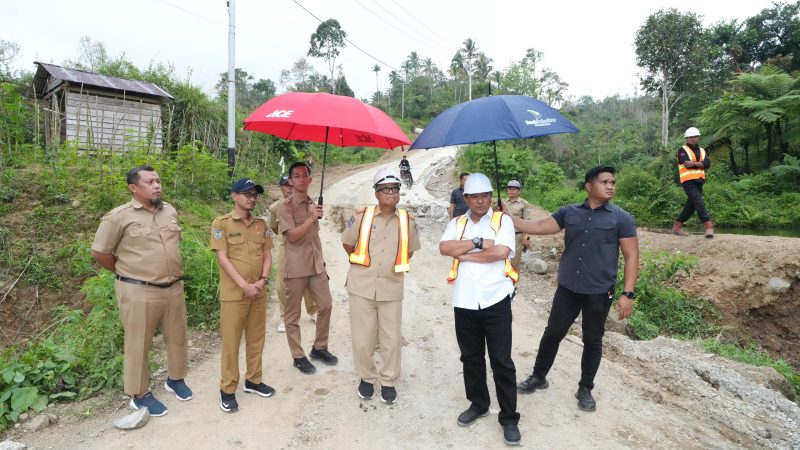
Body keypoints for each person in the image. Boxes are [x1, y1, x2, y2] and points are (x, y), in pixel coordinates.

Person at [509, 166, 639, 413]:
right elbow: (537, 226)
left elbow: (632, 256)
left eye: (613, 182)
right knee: (552, 333)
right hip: (568, 287)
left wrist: (627, 294)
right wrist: (508, 217)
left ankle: (585, 388)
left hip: (600, 291)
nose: (611, 186)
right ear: (589, 186)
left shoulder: (622, 218)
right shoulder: (569, 213)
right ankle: (539, 376)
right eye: (604, 182)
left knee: (593, 340)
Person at [91, 165, 192, 417]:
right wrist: (126, 273)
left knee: (177, 336)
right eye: (150, 182)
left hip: (173, 286)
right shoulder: (118, 217)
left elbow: (173, 244)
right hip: (138, 290)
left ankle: (175, 379)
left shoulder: (169, 210)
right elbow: (100, 252)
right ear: (133, 188)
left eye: (158, 180)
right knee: (138, 343)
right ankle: (140, 394)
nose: (157, 185)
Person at [439, 172, 521, 446]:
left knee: (501, 361)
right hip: (464, 301)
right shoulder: (457, 223)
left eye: (485, 195)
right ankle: (479, 403)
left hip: (496, 299)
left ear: (490, 196)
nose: (480, 201)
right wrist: (476, 244)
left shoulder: (503, 221)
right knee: (471, 357)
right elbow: (444, 247)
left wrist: (464, 256)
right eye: (474, 196)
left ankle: (509, 417)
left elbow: (501, 252)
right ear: (466, 198)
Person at [341, 168, 421, 404]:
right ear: (376, 192)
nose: (391, 193)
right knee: (363, 337)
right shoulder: (360, 216)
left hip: (391, 287)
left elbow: (410, 251)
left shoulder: (408, 221)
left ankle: (387, 380)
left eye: (395, 189)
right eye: (386, 189)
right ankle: (366, 378)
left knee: (391, 338)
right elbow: (348, 244)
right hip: (361, 286)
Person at [211, 178, 275, 413]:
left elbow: (267, 254)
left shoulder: (261, 224)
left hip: (258, 291)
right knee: (231, 343)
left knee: (257, 338)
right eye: (246, 194)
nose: (251, 198)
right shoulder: (222, 224)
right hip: (235, 295)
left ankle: (254, 380)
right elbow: (222, 257)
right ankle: (227, 389)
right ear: (234, 196)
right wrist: (244, 285)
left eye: (255, 194)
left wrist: (262, 280)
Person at [278, 162, 337, 374]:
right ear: (291, 181)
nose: (302, 179)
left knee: (326, 305)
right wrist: (312, 218)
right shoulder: (284, 207)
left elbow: (314, 234)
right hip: (295, 267)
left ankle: (319, 347)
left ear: (311, 180)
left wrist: (315, 214)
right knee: (292, 315)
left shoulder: (313, 203)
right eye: (297, 176)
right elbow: (292, 236)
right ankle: (298, 356)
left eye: (305, 175)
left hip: (316, 265)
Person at [268, 175, 318, 333]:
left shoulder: (308, 204)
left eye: (292, 185)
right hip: (286, 247)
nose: (289, 188)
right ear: (281, 188)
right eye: (286, 185)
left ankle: (314, 311)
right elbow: (274, 228)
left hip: (306, 247)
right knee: (282, 283)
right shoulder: (275, 208)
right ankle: (285, 317)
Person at [673, 127, 714, 238]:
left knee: (691, 206)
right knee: (699, 202)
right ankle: (708, 227)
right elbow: (686, 163)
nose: (693, 139)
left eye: (695, 137)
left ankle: (677, 227)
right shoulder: (682, 150)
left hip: (700, 181)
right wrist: (700, 164)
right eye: (690, 137)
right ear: (687, 138)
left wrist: (694, 164)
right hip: (688, 181)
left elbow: (708, 163)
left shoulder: (702, 150)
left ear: (698, 138)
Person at [504, 180, 536, 269]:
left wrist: (526, 238)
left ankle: (513, 282)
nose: (511, 191)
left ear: (519, 191)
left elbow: (528, 223)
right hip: (504, 235)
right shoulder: (503, 203)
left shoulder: (523, 204)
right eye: (510, 188)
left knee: (514, 262)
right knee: (503, 259)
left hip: (517, 237)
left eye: (514, 189)